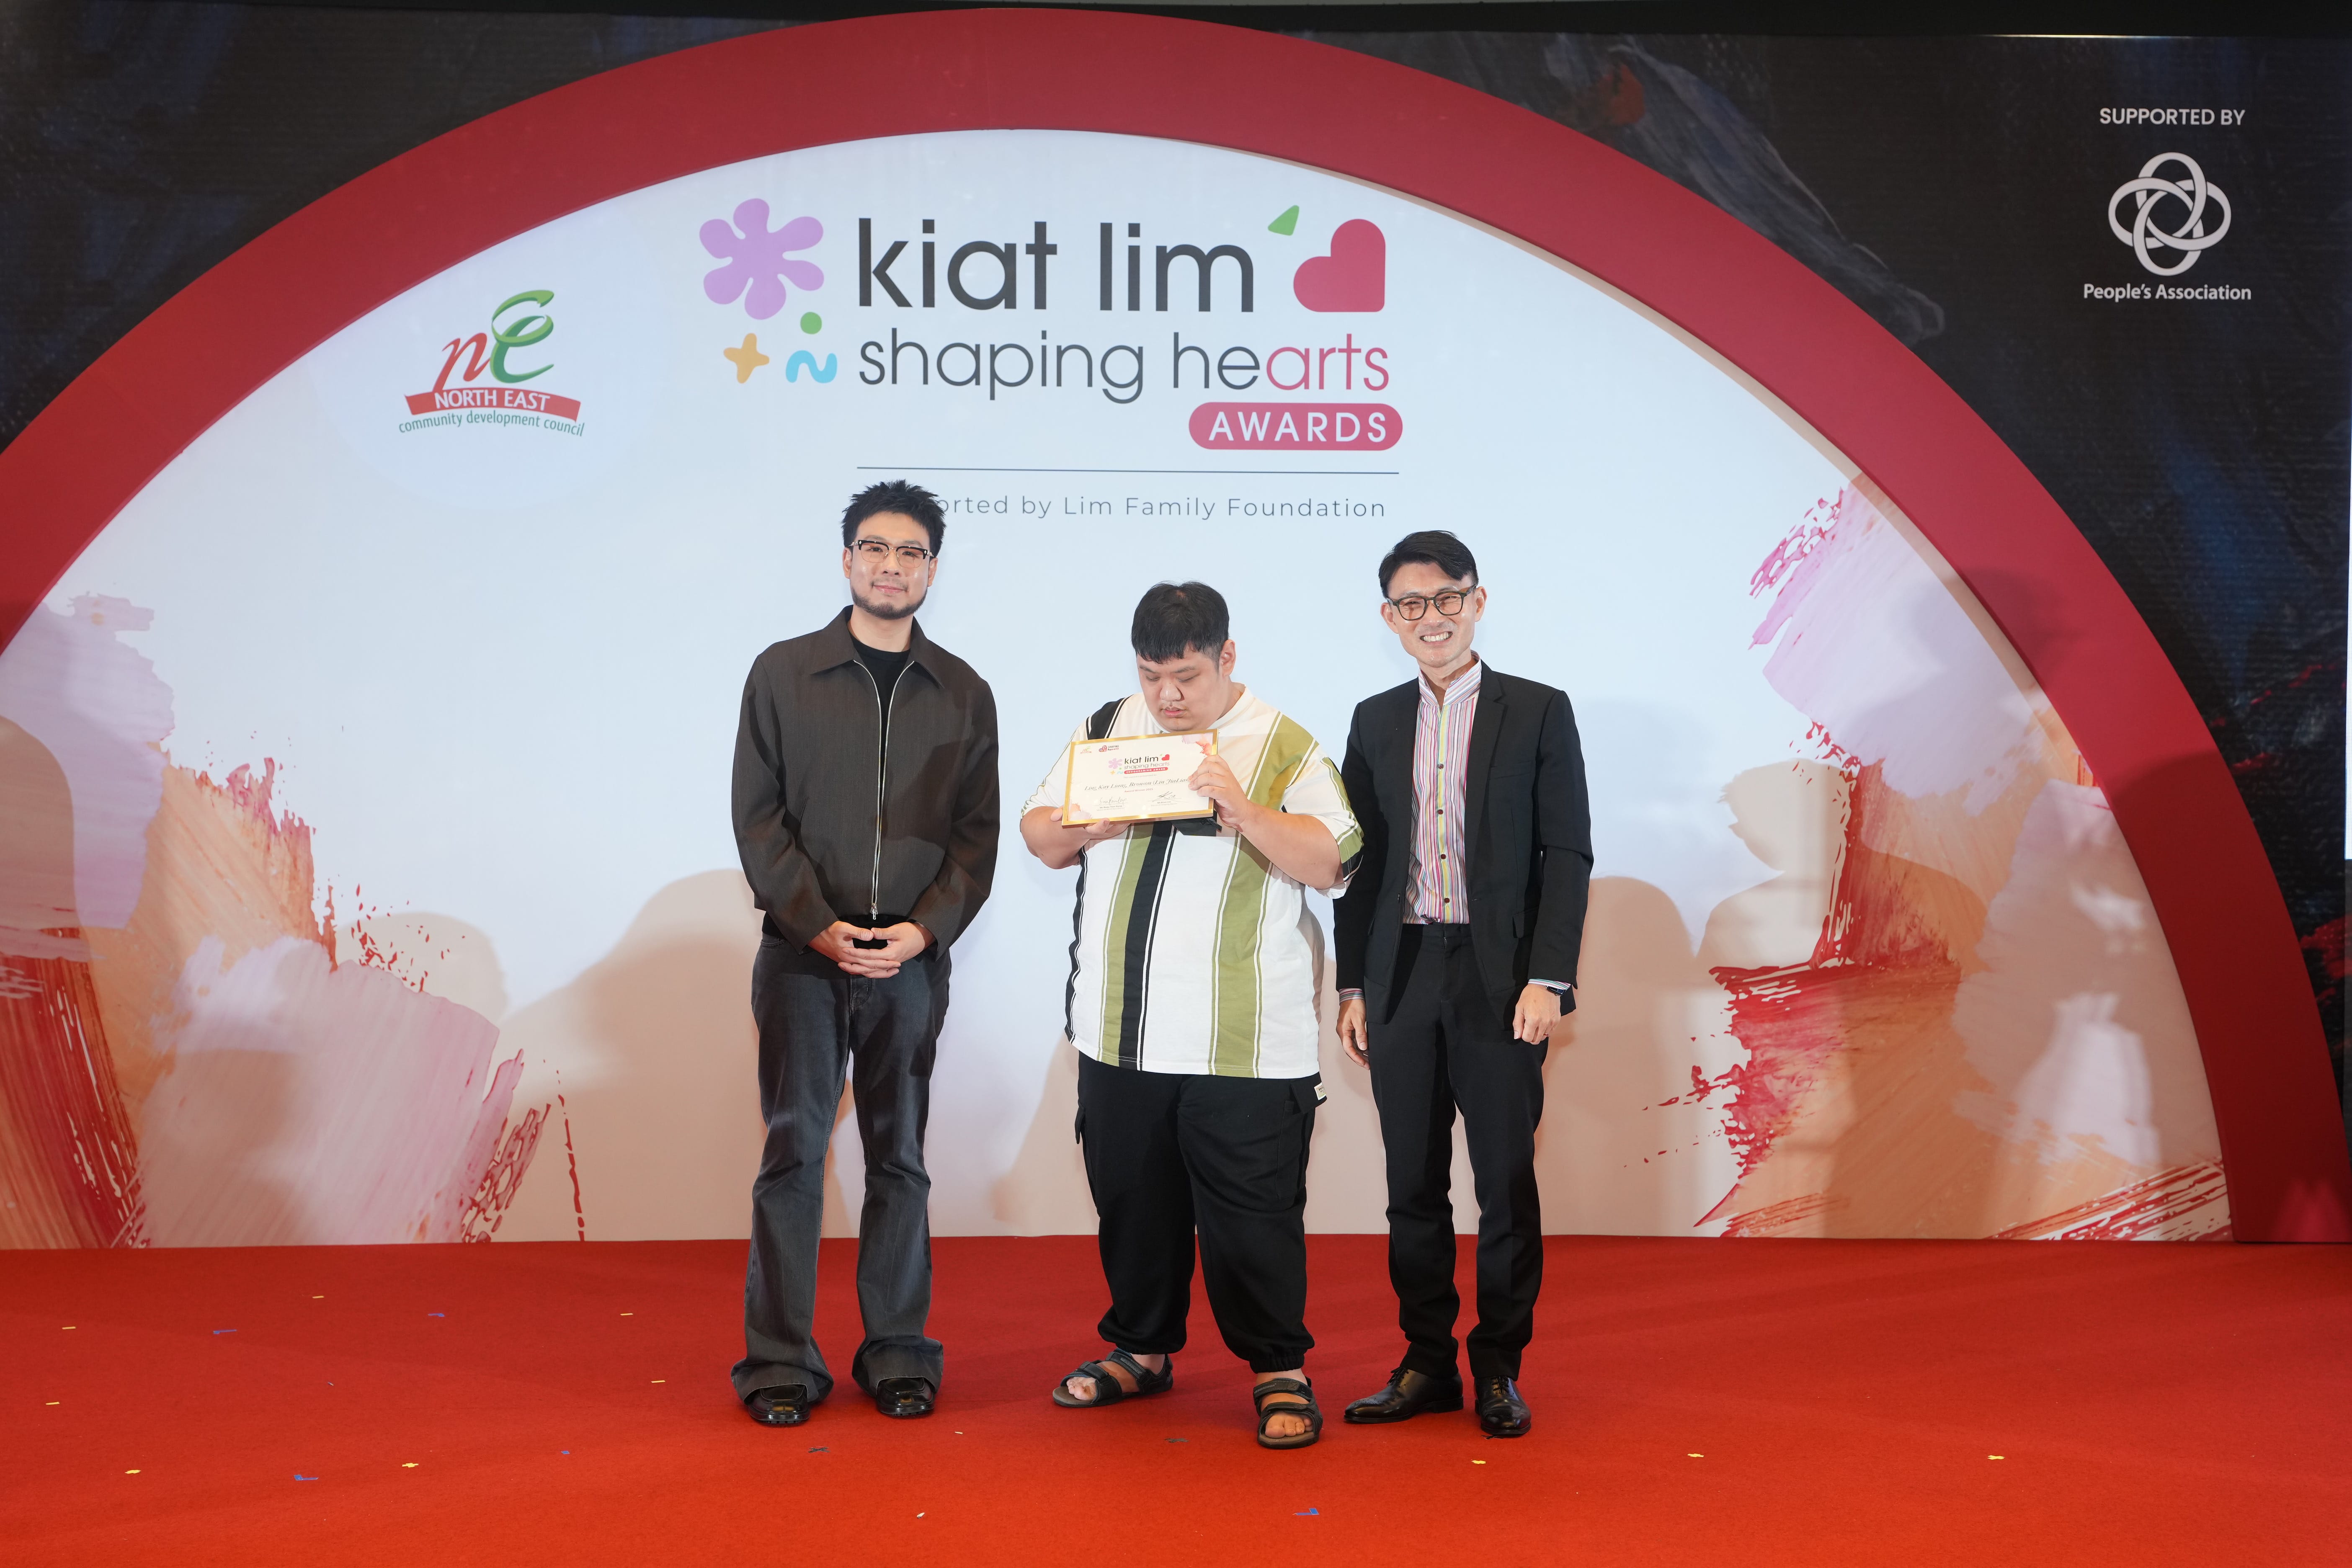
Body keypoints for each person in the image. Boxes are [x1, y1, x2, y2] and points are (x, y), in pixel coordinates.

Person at [1020, 582, 1362, 1449]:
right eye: (1151, 675)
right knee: (1133, 1206)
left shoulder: (1285, 744)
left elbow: (1331, 861)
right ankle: (1139, 1350)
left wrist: (1244, 811)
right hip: (1120, 1034)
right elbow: (1041, 836)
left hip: (1245, 1043)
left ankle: (1279, 1369)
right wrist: (1095, 815)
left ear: (1228, 658)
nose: (1167, 696)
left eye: (1186, 675)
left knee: (1254, 1220)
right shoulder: (1107, 728)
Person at [728, 480, 999, 1427]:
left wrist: (921, 933)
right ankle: (778, 1363)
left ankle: (898, 1352)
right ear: (847, 560)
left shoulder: (964, 691)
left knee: (901, 1156)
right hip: (803, 956)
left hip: (911, 964)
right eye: (875, 549)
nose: (893, 566)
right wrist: (818, 924)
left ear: (933, 567)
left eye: (912, 552)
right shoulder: (784, 673)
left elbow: (977, 838)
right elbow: (758, 824)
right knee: (795, 1150)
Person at [1332, 530, 1591, 1439]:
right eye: (1412, 604)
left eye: (1447, 599)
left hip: (1499, 978)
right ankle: (1427, 1363)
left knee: (1506, 1181)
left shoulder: (1538, 711)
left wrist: (1548, 979)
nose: (1431, 618)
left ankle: (1499, 1369)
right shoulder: (1372, 719)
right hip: (1401, 972)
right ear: (1389, 619)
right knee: (1412, 1182)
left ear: (1478, 602)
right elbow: (1361, 866)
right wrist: (1353, 987)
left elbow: (1568, 854)